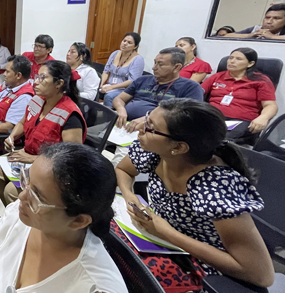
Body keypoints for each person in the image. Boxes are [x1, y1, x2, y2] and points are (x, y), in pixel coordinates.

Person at [115, 99, 274, 288]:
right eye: (147, 119)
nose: (141, 128)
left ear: (179, 147)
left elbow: (261, 275)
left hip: (200, 261)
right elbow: (123, 170)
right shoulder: (155, 150)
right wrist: (129, 195)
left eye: (150, 127)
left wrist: (167, 233)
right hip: (159, 236)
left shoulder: (214, 187)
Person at [0, 143, 127, 293]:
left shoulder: (95, 286)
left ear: (78, 220)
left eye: (37, 197)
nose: (21, 197)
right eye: (27, 182)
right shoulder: (20, 216)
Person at [0, 60, 87, 206]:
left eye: (42, 78)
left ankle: (27, 220)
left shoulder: (70, 116)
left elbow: (70, 160)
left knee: (12, 191)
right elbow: (22, 122)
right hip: (28, 156)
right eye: (37, 77)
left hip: (52, 169)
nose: (35, 83)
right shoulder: (37, 100)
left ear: (58, 84)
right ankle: (14, 214)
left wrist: (33, 159)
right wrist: (12, 136)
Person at [113, 47, 204, 131]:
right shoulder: (142, 80)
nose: (154, 68)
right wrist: (121, 110)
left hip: (157, 131)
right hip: (125, 125)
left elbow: (189, 116)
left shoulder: (190, 87)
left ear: (177, 67)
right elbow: (119, 98)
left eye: (160, 64)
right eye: (155, 62)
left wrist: (149, 119)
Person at [201, 48, 278, 144]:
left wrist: (264, 117)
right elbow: (198, 93)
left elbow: (270, 105)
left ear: (250, 64)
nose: (232, 61)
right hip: (212, 116)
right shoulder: (217, 77)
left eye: (238, 59)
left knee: (219, 140)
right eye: (231, 58)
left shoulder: (261, 80)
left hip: (240, 121)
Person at [100, 32, 145, 106]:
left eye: (129, 43)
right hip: (110, 85)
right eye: (124, 41)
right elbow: (106, 71)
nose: (125, 44)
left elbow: (132, 81)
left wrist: (112, 87)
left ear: (135, 46)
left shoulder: (138, 59)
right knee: (93, 90)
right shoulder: (115, 53)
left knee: (109, 97)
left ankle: (110, 116)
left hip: (125, 89)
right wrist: (100, 84)